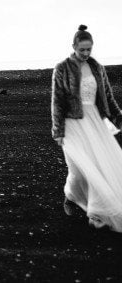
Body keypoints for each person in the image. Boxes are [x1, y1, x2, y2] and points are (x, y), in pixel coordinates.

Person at [51, 24, 122, 231]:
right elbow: (57, 100)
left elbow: (107, 96)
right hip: (72, 123)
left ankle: (96, 211)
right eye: (82, 49)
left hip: (94, 121)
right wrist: (58, 130)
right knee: (79, 167)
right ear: (73, 46)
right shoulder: (62, 68)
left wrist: (118, 117)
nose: (85, 53)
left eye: (89, 49)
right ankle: (72, 197)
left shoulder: (97, 67)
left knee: (98, 165)